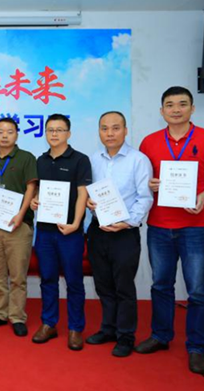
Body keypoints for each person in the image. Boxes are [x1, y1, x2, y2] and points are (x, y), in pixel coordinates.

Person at [136, 86, 204, 374]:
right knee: (161, 285)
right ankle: (161, 335)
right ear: (161, 110)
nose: (176, 109)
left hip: (195, 228)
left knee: (198, 290)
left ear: (192, 108)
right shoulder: (150, 142)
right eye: (170, 105)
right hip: (159, 226)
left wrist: (203, 195)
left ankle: (198, 346)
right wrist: (149, 184)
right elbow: (142, 180)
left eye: (182, 104)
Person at [85, 111, 153, 357]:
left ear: (125, 130)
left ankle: (125, 336)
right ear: (99, 132)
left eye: (115, 128)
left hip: (125, 232)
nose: (110, 133)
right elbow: (87, 192)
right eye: (104, 128)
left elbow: (145, 197)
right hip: (98, 229)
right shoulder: (94, 159)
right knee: (103, 284)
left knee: (123, 286)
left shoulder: (138, 160)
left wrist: (128, 222)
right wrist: (88, 202)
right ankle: (108, 329)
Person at [30, 113, 91, 351]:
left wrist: (76, 223)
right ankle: (49, 323)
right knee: (47, 279)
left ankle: (75, 328)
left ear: (69, 133)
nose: (54, 134)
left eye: (59, 130)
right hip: (45, 231)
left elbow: (83, 194)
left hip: (70, 232)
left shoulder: (80, 160)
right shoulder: (41, 160)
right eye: (50, 130)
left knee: (74, 281)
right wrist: (35, 200)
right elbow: (39, 191)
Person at [0, 117, 37, 337]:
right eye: (0, 132)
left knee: (17, 275)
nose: (5, 136)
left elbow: (31, 187)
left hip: (18, 226)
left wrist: (21, 214)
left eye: (10, 132)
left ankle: (17, 316)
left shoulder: (26, 158)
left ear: (17, 134)